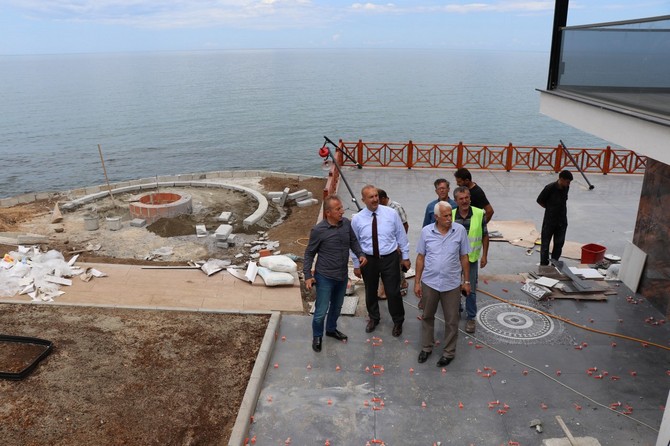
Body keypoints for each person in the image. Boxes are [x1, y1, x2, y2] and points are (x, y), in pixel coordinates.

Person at [303, 195, 367, 353]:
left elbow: (353, 241)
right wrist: (308, 276)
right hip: (324, 277)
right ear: (328, 213)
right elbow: (309, 253)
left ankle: (331, 329)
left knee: (337, 307)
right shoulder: (318, 230)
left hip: (342, 276)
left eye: (341, 208)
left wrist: (360, 254)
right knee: (321, 310)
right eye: (338, 209)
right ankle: (317, 336)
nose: (342, 211)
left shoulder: (346, 224)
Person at [414, 201, 471, 367]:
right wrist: (417, 282)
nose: (449, 219)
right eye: (445, 216)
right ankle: (426, 347)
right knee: (427, 316)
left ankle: (448, 352)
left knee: (452, 320)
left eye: (450, 215)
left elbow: (464, 257)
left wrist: (466, 281)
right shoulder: (426, 232)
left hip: (451, 284)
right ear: (436, 217)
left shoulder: (459, 231)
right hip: (430, 283)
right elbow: (420, 257)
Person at [351, 185, 411, 337]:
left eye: (376, 196)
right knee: (370, 291)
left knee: (393, 291)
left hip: (390, 258)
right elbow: (354, 242)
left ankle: (398, 321)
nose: (375, 199)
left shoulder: (391, 213)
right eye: (371, 197)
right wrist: (356, 264)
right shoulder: (357, 219)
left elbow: (401, 235)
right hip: (368, 260)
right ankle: (374, 318)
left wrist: (405, 257)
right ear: (363, 200)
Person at [452, 186, 489, 334]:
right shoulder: (451, 214)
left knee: (470, 289)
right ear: (456, 201)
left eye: (467, 198)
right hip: (453, 260)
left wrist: (484, 255)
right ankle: (455, 309)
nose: (464, 201)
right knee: (454, 287)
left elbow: (485, 235)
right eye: (461, 199)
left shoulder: (479, 213)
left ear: (470, 198)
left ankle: (471, 317)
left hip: (471, 258)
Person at [537, 170, 574, 266]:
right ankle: (544, 264)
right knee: (545, 244)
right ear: (561, 179)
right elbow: (540, 200)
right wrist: (550, 208)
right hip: (550, 220)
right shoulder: (550, 188)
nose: (568, 184)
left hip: (562, 220)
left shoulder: (566, 187)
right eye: (567, 182)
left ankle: (554, 263)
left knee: (559, 243)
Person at [377, 189, 409, 297]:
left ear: (383, 199)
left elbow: (405, 226)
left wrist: (400, 244)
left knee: (399, 266)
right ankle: (384, 289)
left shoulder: (396, 208)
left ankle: (402, 285)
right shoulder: (379, 209)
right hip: (385, 244)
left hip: (396, 243)